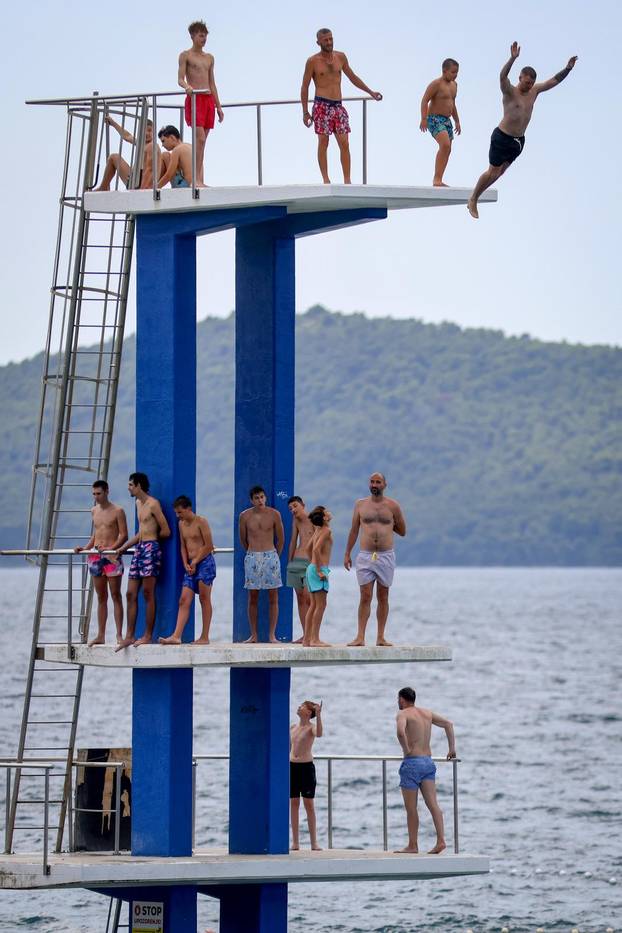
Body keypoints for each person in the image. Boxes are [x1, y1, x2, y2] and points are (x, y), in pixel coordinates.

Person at [467, 42, 578, 218]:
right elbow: (502, 77)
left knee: (499, 173)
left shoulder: (534, 91)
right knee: (492, 171)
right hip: (502, 137)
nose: (528, 86)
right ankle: (473, 198)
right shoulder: (510, 91)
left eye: (531, 83)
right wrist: (512, 59)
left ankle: (477, 195)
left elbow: (553, 81)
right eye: (526, 82)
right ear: (520, 78)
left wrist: (568, 69)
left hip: (518, 141)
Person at [301, 28, 382, 184]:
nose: (329, 42)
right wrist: (305, 112)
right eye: (325, 40)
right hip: (321, 105)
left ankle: (347, 180)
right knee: (323, 142)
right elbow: (305, 86)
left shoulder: (341, 57)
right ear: (318, 42)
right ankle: (326, 179)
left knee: (344, 143)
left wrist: (370, 92)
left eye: (331, 39)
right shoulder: (312, 61)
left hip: (338, 105)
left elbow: (352, 76)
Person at [344, 473, 406, 646]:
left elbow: (402, 530)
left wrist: (386, 528)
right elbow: (354, 530)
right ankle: (360, 637)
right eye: (372, 481)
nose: (374, 484)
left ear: (384, 485)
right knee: (365, 596)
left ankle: (380, 637)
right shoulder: (360, 504)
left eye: (378, 482)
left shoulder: (393, 505)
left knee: (383, 596)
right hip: (365, 555)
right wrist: (347, 553)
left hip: (385, 555)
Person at [395, 686, 456, 855]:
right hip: (427, 763)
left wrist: (406, 749)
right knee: (433, 804)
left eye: (398, 699)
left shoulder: (403, 714)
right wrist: (451, 749)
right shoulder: (427, 713)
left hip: (412, 763)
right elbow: (448, 724)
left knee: (411, 808)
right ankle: (441, 840)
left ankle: (413, 845)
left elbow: (400, 732)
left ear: (402, 699)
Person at [115, 472, 171, 649]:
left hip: (151, 549)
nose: (129, 487)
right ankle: (129, 636)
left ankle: (147, 635)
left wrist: (152, 541)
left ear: (139, 486)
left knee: (148, 593)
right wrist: (123, 548)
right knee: (130, 593)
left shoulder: (153, 504)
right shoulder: (138, 503)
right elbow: (141, 531)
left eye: (131, 484)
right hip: (139, 549)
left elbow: (166, 530)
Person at [74, 480, 128, 647]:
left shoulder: (118, 511)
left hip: (111, 556)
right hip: (96, 557)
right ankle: (101, 635)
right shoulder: (94, 511)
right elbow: (95, 534)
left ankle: (119, 635)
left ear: (107, 492)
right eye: (94, 494)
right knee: (101, 596)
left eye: (99, 493)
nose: (96, 497)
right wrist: (85, 548)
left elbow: (123, 535)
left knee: (116, 595)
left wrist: (111, 549)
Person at [159, 495, 216, 646]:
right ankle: (176, 636)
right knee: (184, 600)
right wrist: (185, 563)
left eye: (180, 512)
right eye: (177, 513)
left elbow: (209, 545)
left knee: (204, 599)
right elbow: (183, 546)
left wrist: (196, 561)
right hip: (191, 564)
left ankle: (204, 637)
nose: (178, 516)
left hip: (204, 563)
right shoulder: (181, 524)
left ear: (188, 509)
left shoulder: (201, 522)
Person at [177, 19, 224, 186]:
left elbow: (212, 83)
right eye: (201, 35)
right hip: (195, 98)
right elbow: (180, 79)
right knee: (200, 139)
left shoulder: (209, 58)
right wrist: (187, 87)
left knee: (203, 143)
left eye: (205, 36)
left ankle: (198, 179)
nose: (203, 39)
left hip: (208, 99)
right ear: (192, 36)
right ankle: (194, 180)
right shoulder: (185, 55)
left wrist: (219, 106)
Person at [239, 485, 284, 643]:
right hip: (252, 556)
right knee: (252, 597)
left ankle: (272, 635)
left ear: (265, 497)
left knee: (273, 597)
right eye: (257, 498)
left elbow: (281, 538)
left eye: (262, 497)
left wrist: (273, 555)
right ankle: (254, 635)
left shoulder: (274, 514)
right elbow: (243, 539)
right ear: (251, 500)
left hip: (270, 556)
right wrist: (252, 553)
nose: (260, 500)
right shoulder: (244, 516)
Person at [420, 58, 461, 187]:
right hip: (434, 118)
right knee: (445, 145)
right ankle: (436, 180)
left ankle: (439, 179)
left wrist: (457, 121)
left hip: (446, 120)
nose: (455, 75)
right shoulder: (436, 84)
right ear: (444, 71)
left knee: (448, 149)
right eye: (453, 72)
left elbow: (452, 104)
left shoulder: (454, 86)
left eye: (457, 72)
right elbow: (424, 100)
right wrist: (424, 118)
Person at [290, 699, 323, 851]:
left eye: (302, 706)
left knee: (308, 804)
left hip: (306, 768)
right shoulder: (293, 727)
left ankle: (314, 842)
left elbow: (320, 734)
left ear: (308, 712)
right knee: (294, 803)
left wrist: (320, 715)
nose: (299, 707)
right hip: (292, 767)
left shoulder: (312, 728)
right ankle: (295, 842)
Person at [95, 116, 161, 191]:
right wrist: (113, 123)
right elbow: (126, 136)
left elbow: (151, 169)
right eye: (144, 130)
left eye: (149, 130)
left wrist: (145, 188)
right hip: (133, 179)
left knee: (115, 157)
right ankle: (103, 187)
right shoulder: (140, 143)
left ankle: (103, 188)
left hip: (144, 183)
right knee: (114, 157)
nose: (146, 133)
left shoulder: (153, 146)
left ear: (153, 132)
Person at [286, 496, 314, 643]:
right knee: (300, 599)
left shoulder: (314, 518)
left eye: (295, 506)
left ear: (303, 505)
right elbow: (292, 541)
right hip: (296, 562)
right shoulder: (296, 521)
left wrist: (319, 564)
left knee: (309, 598)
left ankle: (311, 634)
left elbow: (321, 541)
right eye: (290, 508)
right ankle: (305, 634)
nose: (293, 510)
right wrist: (289, 562)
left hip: (310, 563)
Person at [304, 507, 333, 647]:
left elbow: (308, 548)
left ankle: (307, 640)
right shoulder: (326, 530)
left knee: (313, 605)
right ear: (324, 517)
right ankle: (315, 639)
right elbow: (315, 549)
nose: (329, 512)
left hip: (311, 568)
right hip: (318, 570)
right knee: (321, 605)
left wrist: (312, 565)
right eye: (326, 511)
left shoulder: (317, 530)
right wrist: (319, 570)